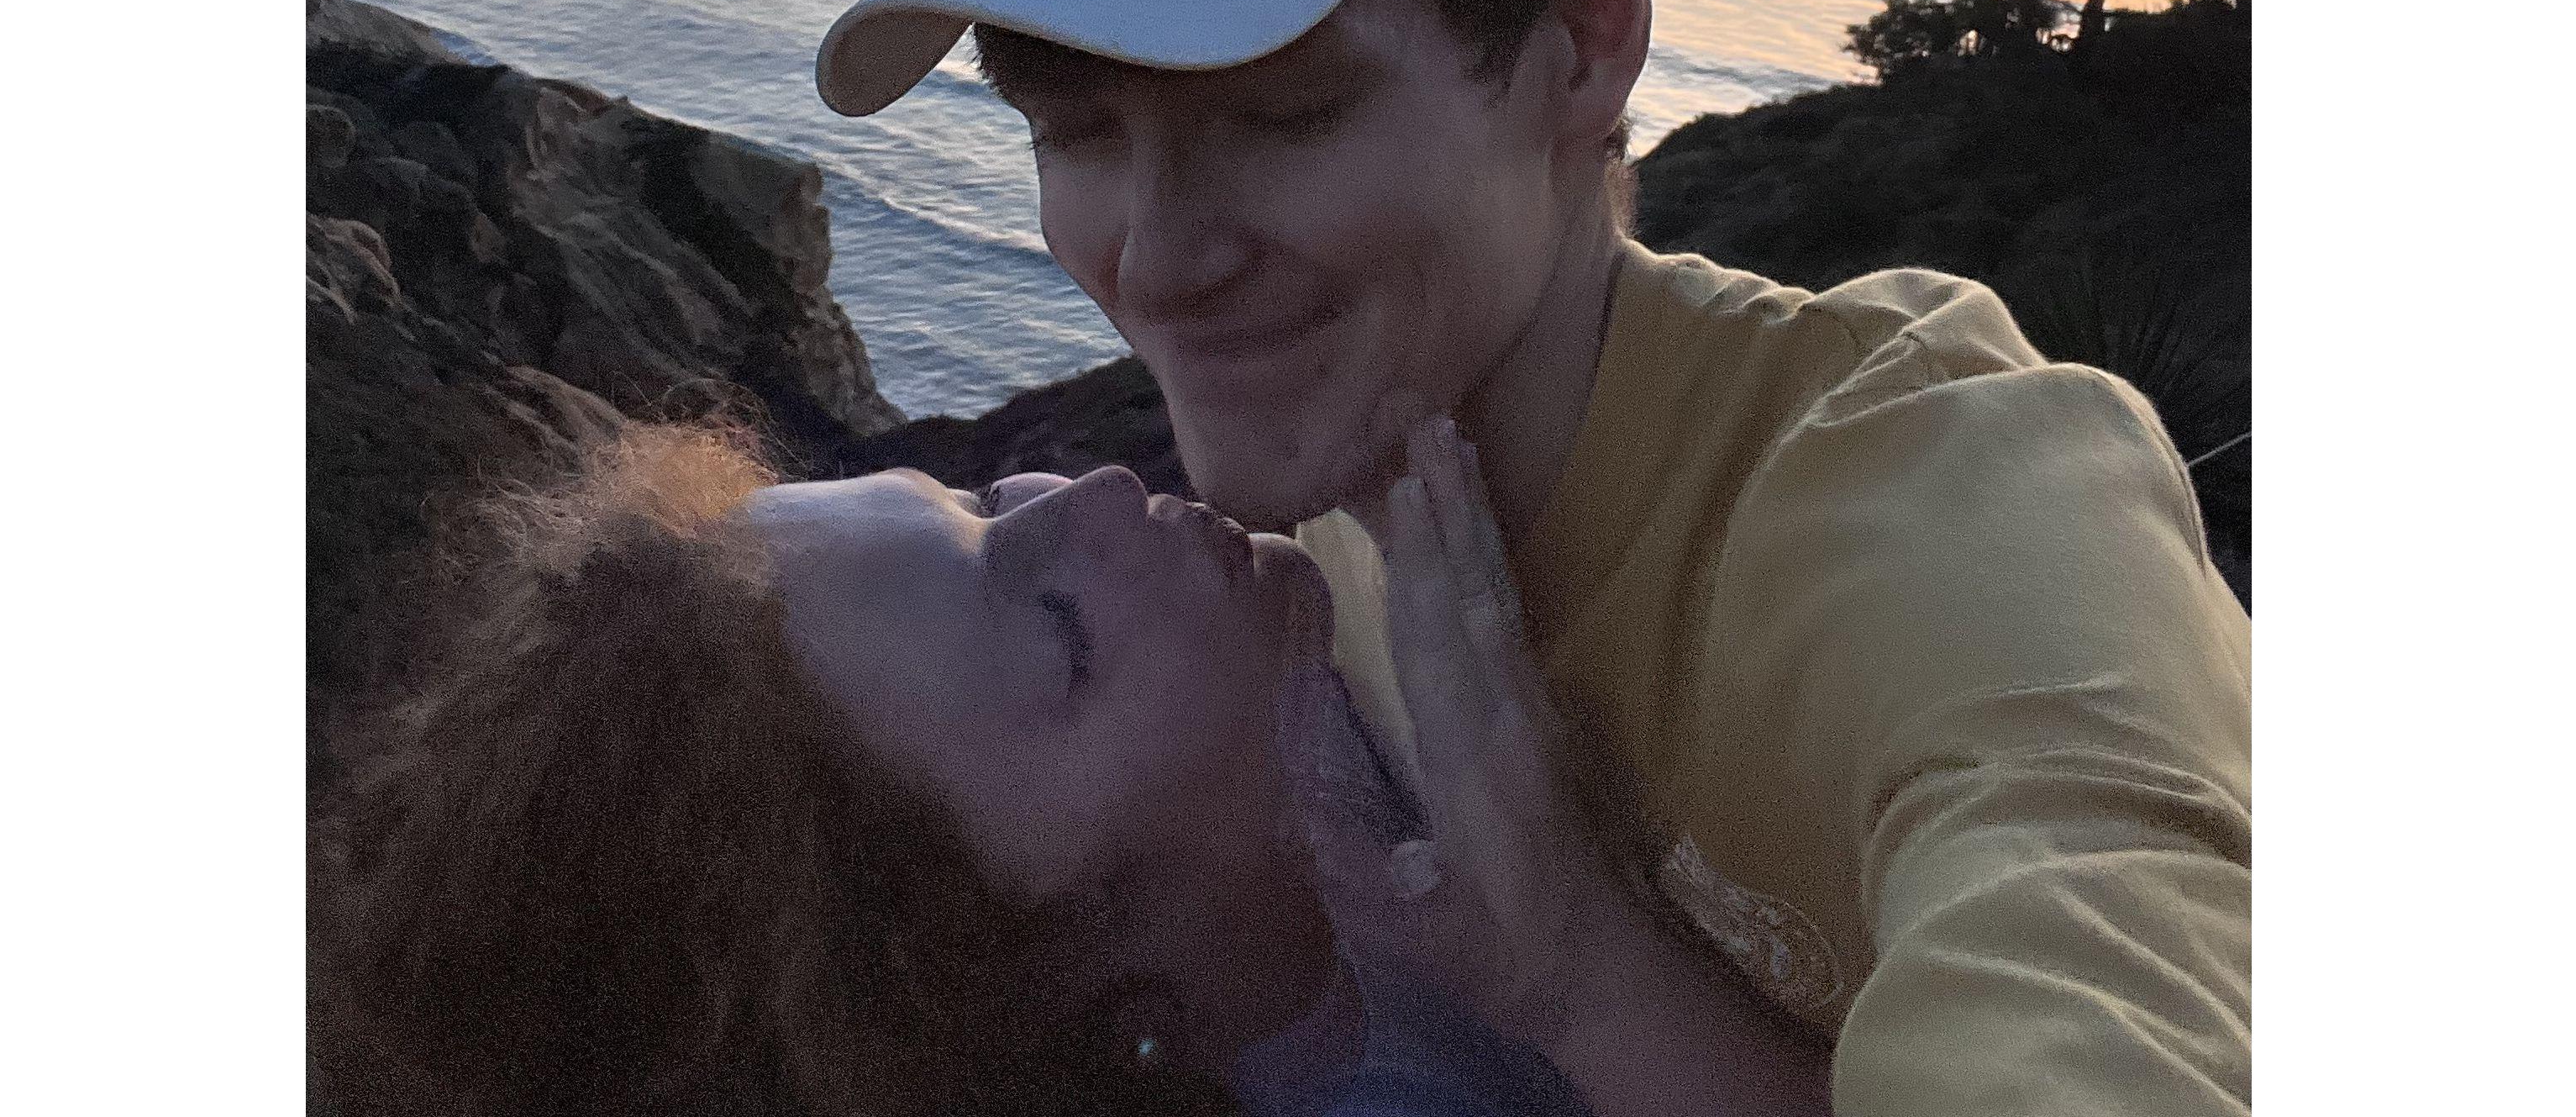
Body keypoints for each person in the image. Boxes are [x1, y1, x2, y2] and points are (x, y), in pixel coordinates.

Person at [816, 0, 2254, 1116]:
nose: (1157, 262)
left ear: (1591, 34)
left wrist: (1582, 969)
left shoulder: (1963, 522)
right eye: (1075, 134)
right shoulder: (1321, 551)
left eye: (1286, 116)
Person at [311, 420, 1739, 1116]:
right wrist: (1578, 976)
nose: (1099, 490)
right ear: (1064, 973)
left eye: (979, 495)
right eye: (1061, 625)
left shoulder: (1324, 726)